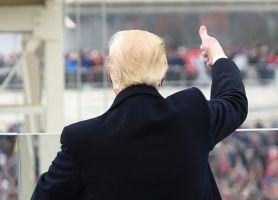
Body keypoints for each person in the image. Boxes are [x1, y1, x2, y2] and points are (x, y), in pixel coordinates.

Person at [31, 25, 248, 200]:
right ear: (162, 76)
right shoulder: (191, 113)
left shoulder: (81, 140)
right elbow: (234, 102)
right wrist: (217, 55)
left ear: (110, 75)